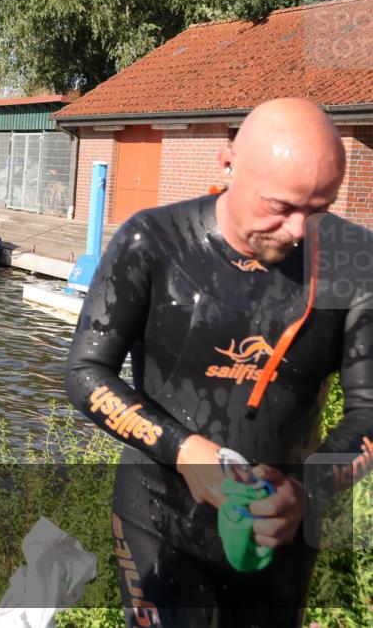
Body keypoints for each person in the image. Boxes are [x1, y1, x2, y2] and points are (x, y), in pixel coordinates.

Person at [65, 98, 372, 627]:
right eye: (279, 206)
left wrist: (307, 491)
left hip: (278, 526)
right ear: (228, 164)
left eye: (319, 208)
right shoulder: (153, 243)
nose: (300, 230)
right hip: (157, 516)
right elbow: (86, 374)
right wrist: (182, 449)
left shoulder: (353, 259)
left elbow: (369, 413)